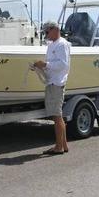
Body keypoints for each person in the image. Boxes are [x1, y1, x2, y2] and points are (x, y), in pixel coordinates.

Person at [34, 21, 71, 155]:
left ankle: (58, 147)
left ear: (55, 29)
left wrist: (45, 64)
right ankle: (64, 145)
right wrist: (41, 67)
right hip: (51, 82)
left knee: (56, 116)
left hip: (57, 83)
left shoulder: (62, 44)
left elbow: (63, 65)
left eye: (47, 31)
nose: (46, 34)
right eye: (44, 32)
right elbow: (52, 65)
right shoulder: (52, 45)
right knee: (58, 115)